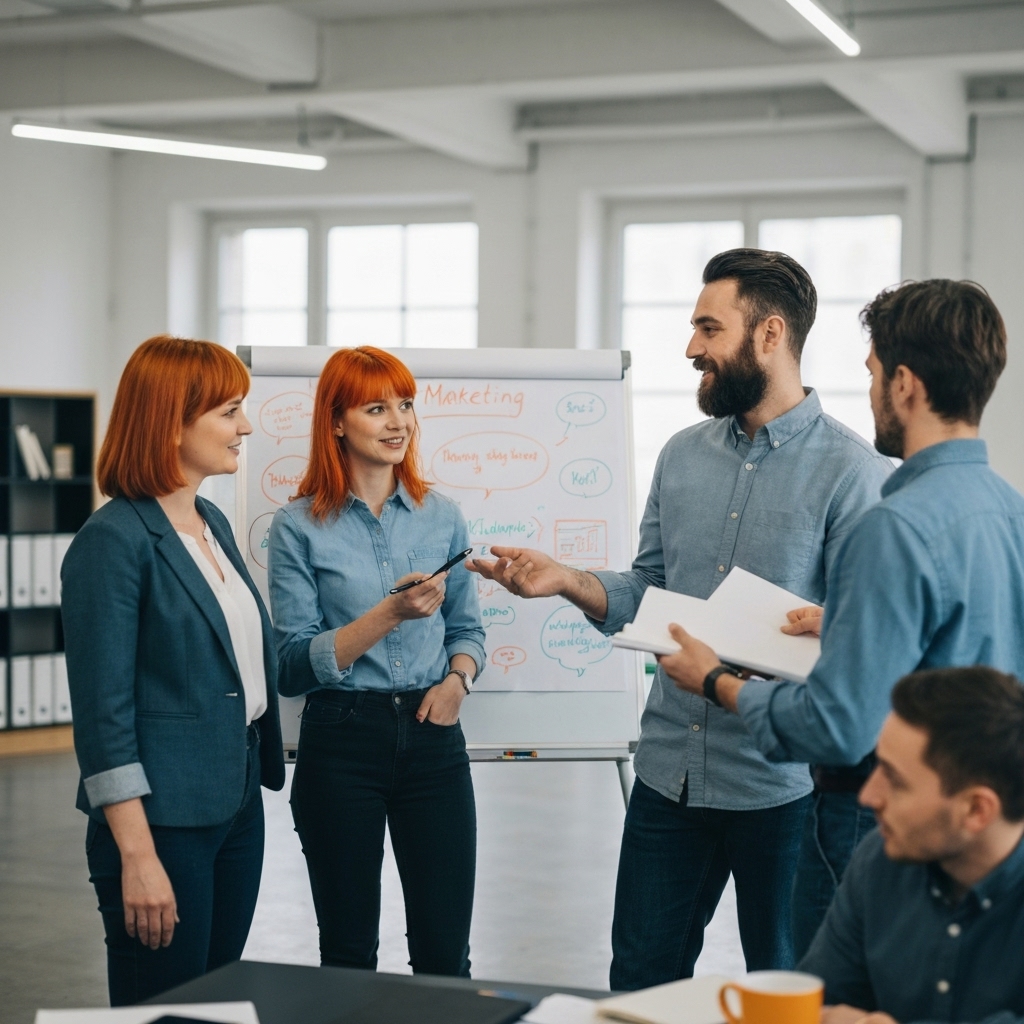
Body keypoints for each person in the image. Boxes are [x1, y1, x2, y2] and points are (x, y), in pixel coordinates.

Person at [469, 249, 892, 989]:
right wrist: (567, 580)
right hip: (670, 778)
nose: (691, 347)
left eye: (707, 328)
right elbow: (651, 591)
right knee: (641, 981)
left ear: (768, 334)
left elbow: (863, 644)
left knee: (788, 990)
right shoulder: (681, 456)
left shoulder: (854, 474)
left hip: (783, 790)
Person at [660, 279, 1024, 956]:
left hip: (883, 820)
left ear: (907, 386)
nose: (872, 393)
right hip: (990, 823)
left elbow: (836, 725)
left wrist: (716, 681)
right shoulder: (1008, 508)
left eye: (875, 374)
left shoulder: (893, 526)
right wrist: (858, 624)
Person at [61, 335, 285, 1005]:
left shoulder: (210, 519)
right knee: (162, 1007)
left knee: (214, 1002)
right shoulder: (113, 541)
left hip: (237, 798)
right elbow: (104, 719)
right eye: (229, 410)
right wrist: (137, 855)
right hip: (160, 823)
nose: (245, 426)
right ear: (170, 420)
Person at [268, 345, 485, 976]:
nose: (399, 422)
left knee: (446, 954)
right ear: (336, 421)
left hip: (433, 738)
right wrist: (388, 614)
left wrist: (458, 681)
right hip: (341, 741)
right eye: (376, 407)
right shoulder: (298, 526)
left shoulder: (441, 515)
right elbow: (290, 665)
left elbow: (468, 630)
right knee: (347, 951)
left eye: (406, 405)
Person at [801, 667, 1024, 1024]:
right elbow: (817, 1001)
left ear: (976, 810)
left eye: (895, 779)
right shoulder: (880, 859)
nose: (868, 795)